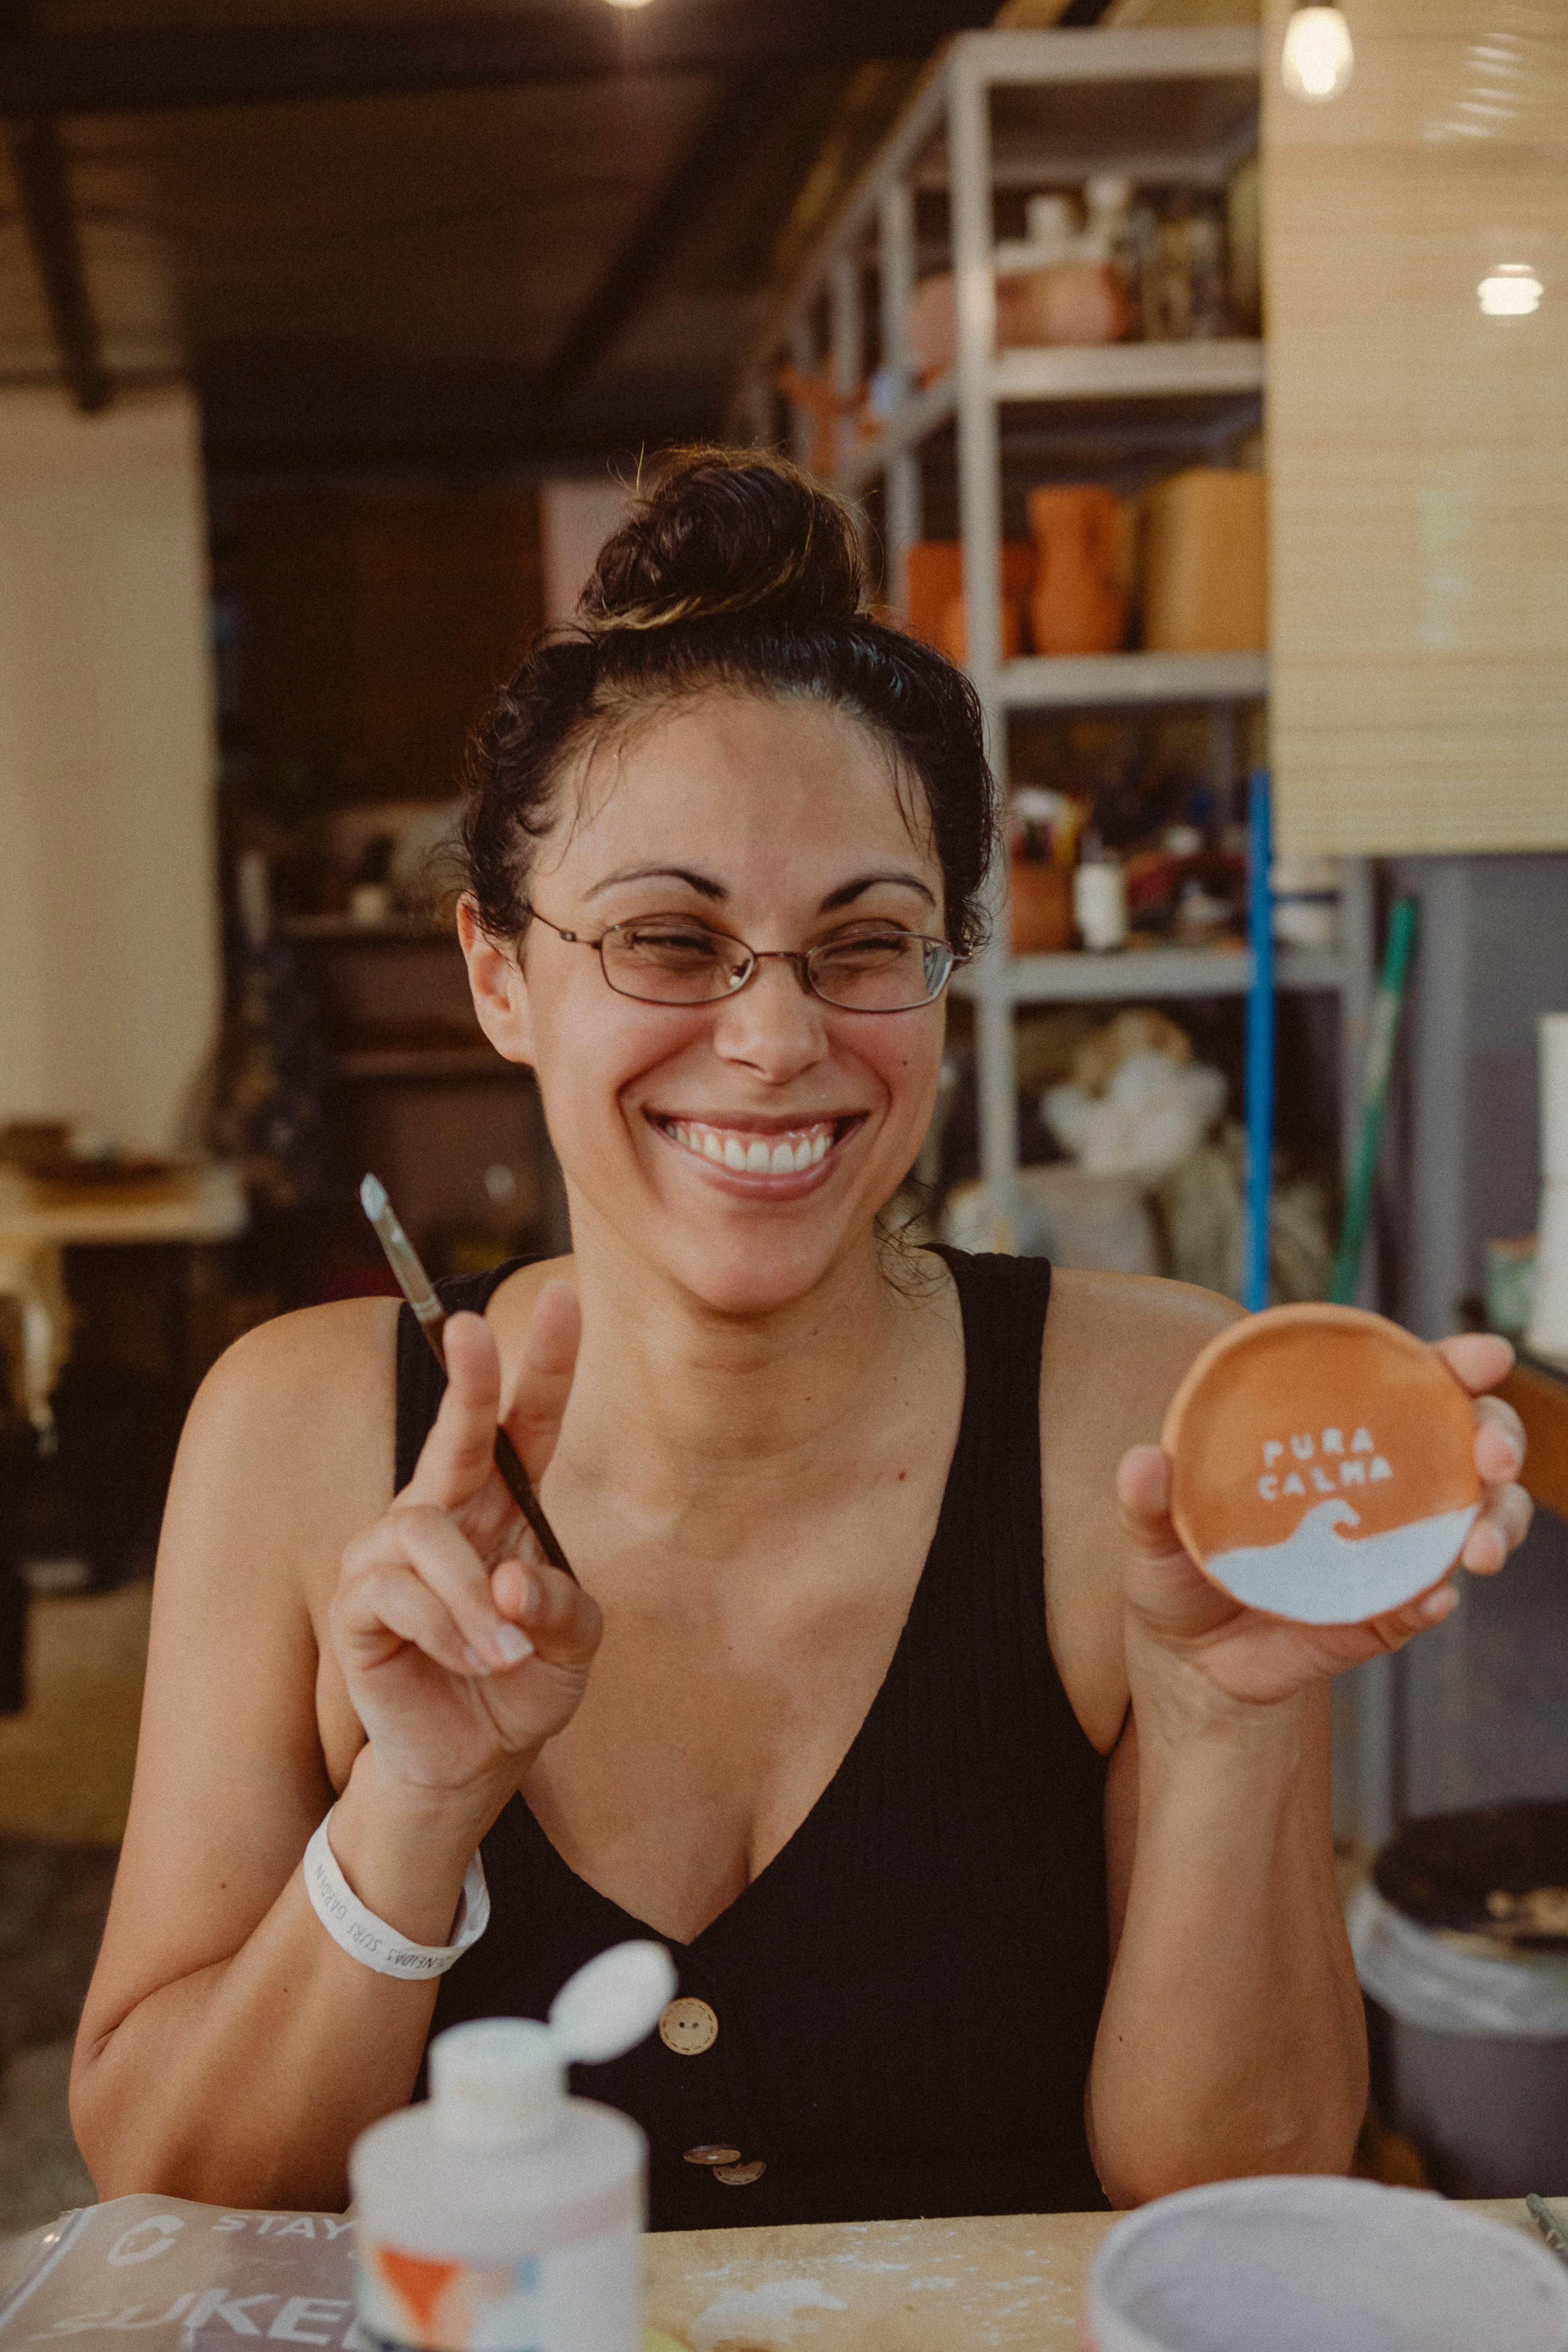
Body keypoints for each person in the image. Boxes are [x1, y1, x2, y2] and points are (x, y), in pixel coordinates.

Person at [73, 450, 1531, 2225]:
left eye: (865, 943)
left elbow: (1233, 2195)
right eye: (669, 940)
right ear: (498, 971)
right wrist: (410, 1807)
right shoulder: (297, 1434)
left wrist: (1212, 1720)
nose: (773, 1039)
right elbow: (177, 2175)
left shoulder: (1140, 1416)